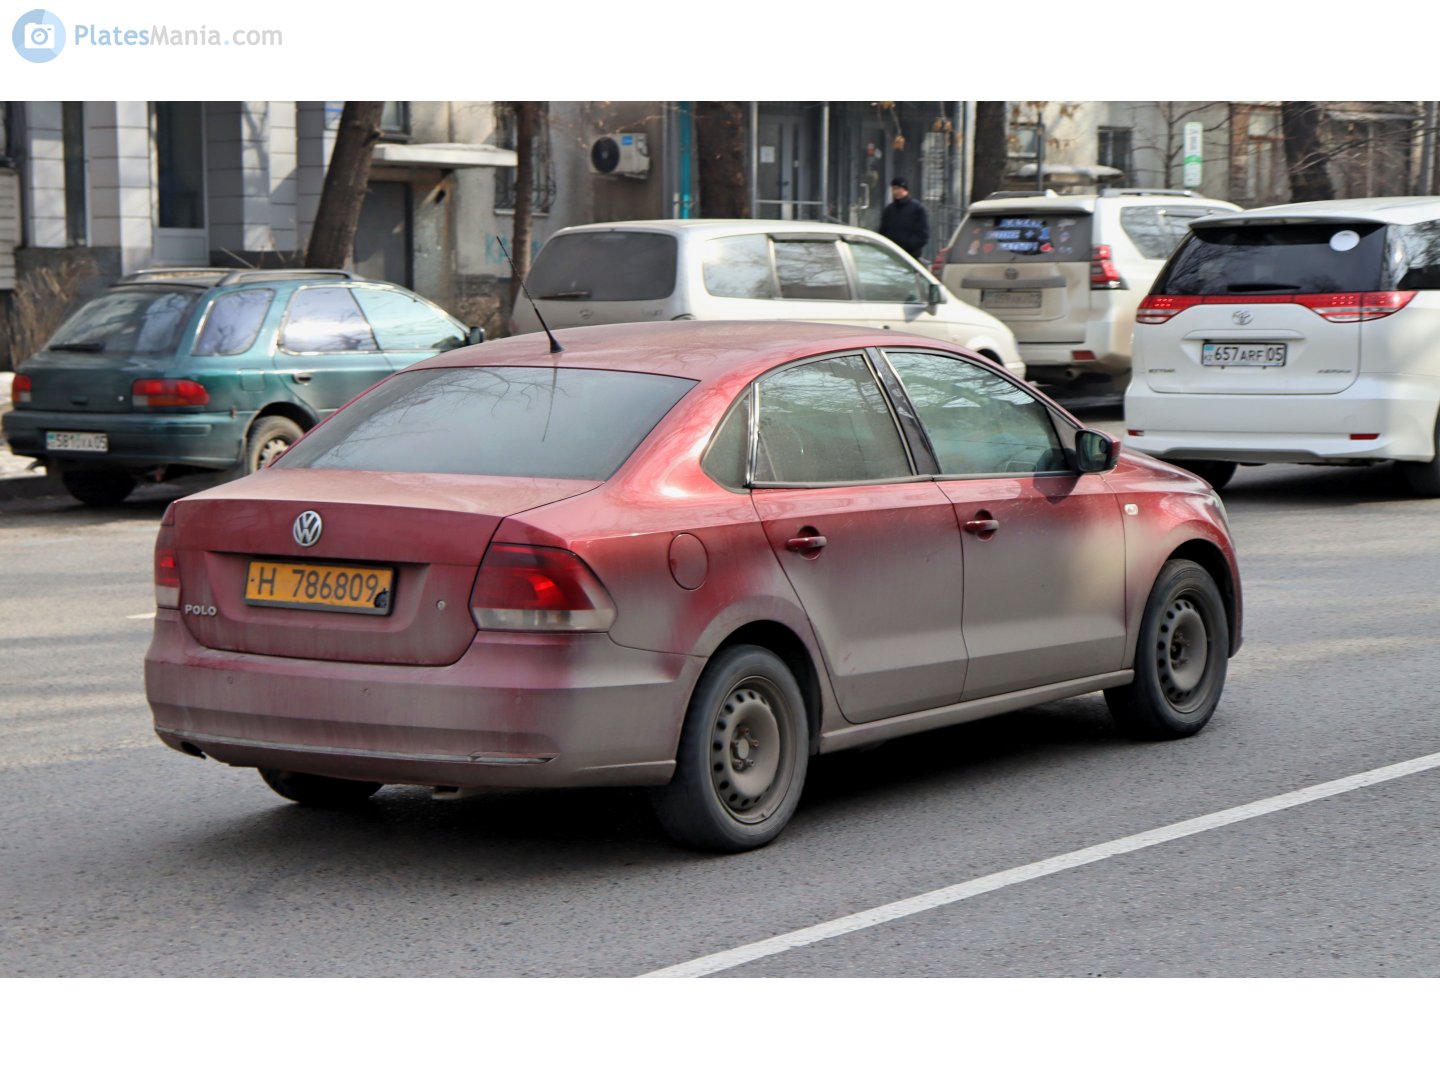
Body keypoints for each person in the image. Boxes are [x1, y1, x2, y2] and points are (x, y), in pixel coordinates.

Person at [879, 177, 929, 260]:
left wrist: (909, 246)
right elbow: (883, 231)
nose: (895, 192)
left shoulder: (917, 209)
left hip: (911, 256)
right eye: (893, 189)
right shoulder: (889, 210)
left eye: (898, 189)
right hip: (891, 255)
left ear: (905, 189)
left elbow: (923, 234)